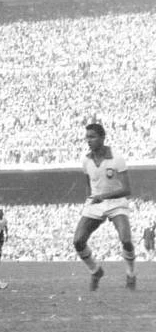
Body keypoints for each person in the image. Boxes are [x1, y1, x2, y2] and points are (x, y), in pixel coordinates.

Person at [72, 123, 136, 291]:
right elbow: (89, 184)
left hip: (116, 203)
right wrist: (89, 201)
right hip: (96, 203)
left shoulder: (117, 158)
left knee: (126, 240)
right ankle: (95, 271)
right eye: (87, 137)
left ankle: (130, 274)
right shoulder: (85, 160)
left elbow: (127, 189)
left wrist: (103, 196)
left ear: (102, 138)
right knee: (78, 241)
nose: (88, 140)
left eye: (92, 137)